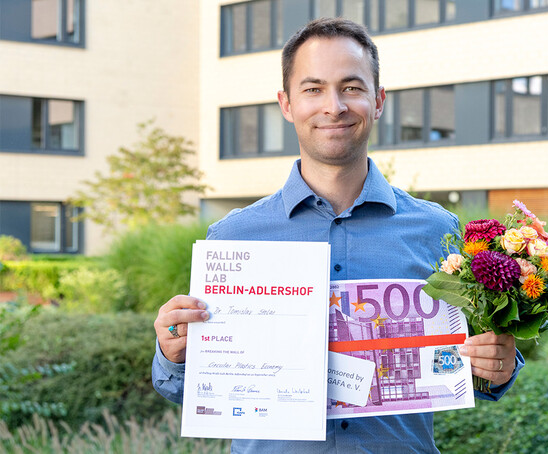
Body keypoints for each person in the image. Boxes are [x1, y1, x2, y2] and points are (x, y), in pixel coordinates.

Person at [152, 17, 524, 453]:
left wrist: (498, 365)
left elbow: (476, 367)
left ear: (379, 100)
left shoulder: (438, 232)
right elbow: (193, 390)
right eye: (313, 89)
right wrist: (174, 354)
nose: (334, 106)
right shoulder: (233, 236)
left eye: (351, 87)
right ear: (286, 104)